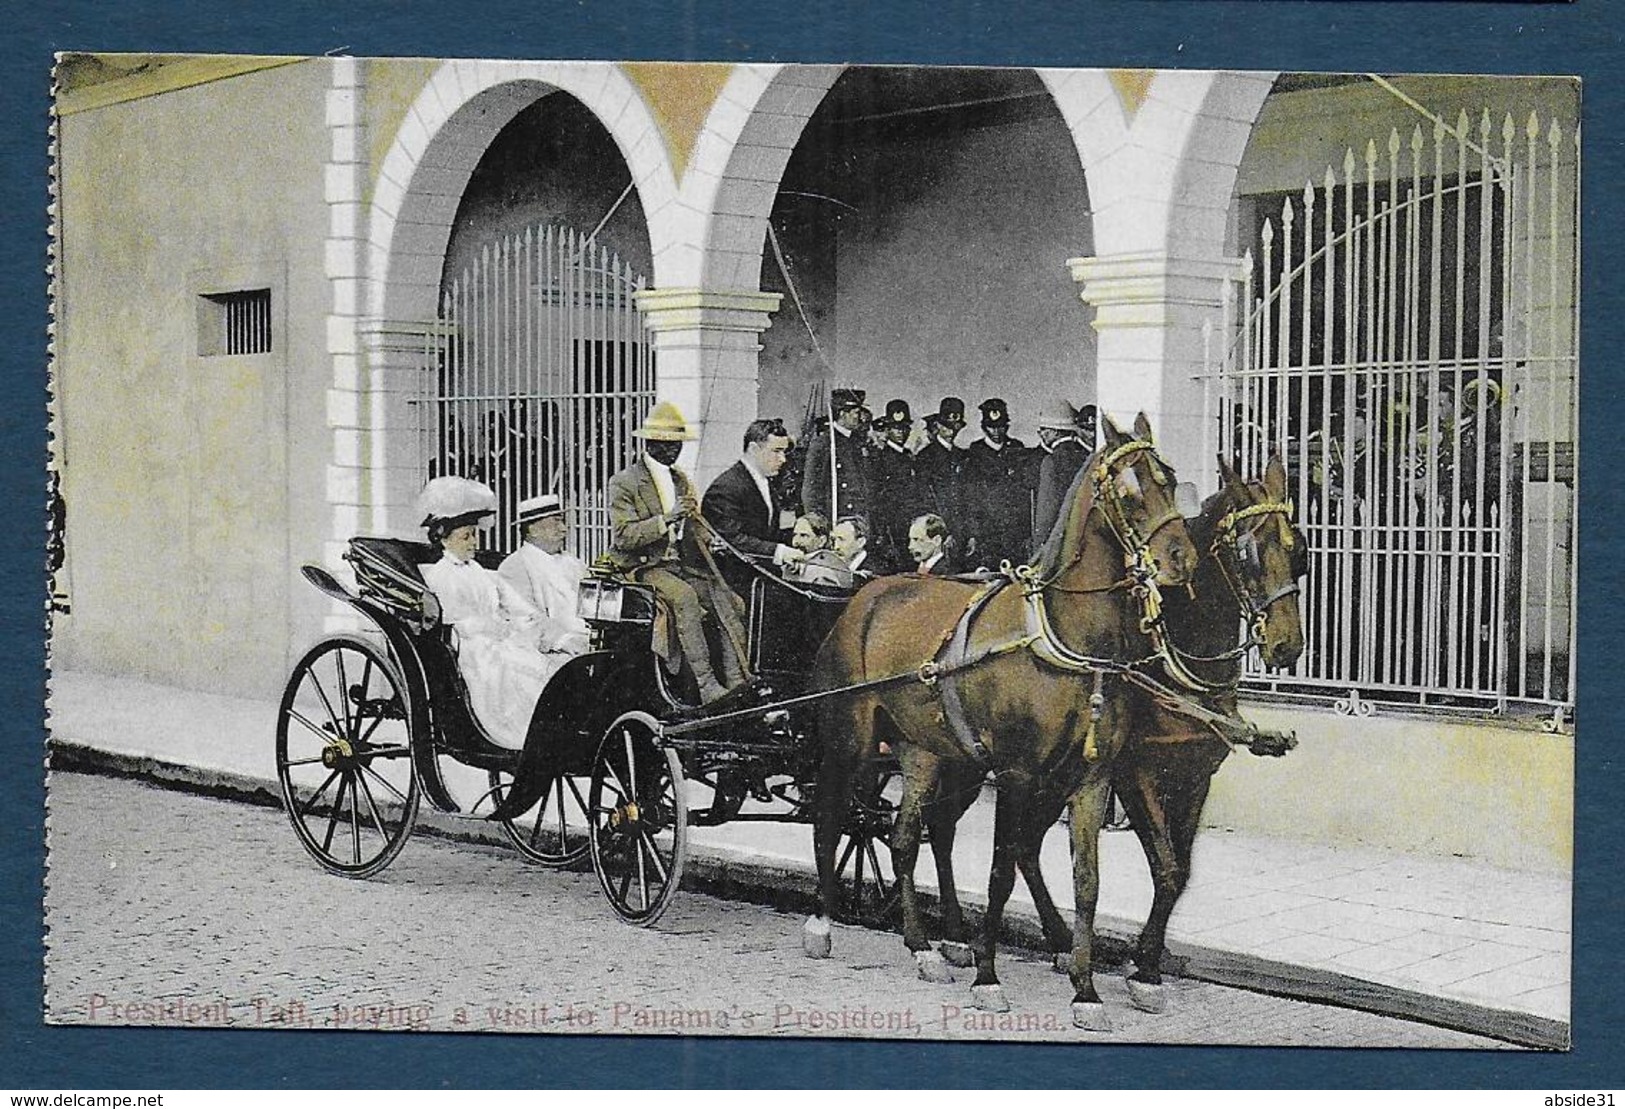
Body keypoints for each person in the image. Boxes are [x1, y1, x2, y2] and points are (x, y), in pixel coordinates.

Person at [602, 401, 751, 705]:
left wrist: (709, 539)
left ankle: (738, 680)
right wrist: (667, 518)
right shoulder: (624, 482)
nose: (673, 451)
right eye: (666, 444)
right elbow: (624, 536)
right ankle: (706, 684)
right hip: (641, 566)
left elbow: (692, 529)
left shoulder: (680, 479)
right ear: (649, 442)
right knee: (684, 597)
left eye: (677, 445)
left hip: (677, 566)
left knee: (728, 599)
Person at [417, 477, 554, 751]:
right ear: (444, 539)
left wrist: (528, 621)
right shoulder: (441, 575)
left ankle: (548, 729)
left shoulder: (480, 570)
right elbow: (455, 620)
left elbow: (511, 602)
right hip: (471, 646)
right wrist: (495, 628)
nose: (473, 542)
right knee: (512, 672)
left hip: (497, 636)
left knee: (542, 665)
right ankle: (527, 734)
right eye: (465, 536)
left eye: (474, 534)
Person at [701, 418, 807, 600]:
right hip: (734, 581)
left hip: (762, 574)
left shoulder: (766, 482)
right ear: (753, 449)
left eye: (784, 452)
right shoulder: (726, 488)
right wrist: (779, 552)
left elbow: (771, 532)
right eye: (776, 451)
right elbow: (732, 540)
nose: (783, 459)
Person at [497, 492, 593, 658]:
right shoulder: (515, 566)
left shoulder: (573, 562)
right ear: (533, 529)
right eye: (555, 522)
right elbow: (524, 617)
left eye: (562, 521)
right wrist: (564, 640)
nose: (563, 529)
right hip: (551, 651)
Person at [963, 397, 1033, 570]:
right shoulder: (975, 452)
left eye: (1000, 427)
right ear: (983, 427)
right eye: (991, 427)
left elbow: (1024, 493)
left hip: (1015, 531)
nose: (996, 432)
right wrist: (974, 533)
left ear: (1007, 426)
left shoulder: (1017, 448)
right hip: (988, 532)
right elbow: (971, 498)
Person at [800, 387, 872, 525]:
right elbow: (811, 489)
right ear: (842, 413)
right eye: (856, 413)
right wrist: (816, 522)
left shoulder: (857, 441)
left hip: (858, 518)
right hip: (836, 517)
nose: (859, 417)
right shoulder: (824, 443)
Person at [1032, 400, 1096, 552]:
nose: (1042, 434)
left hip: (1061, 543)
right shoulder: (1087, 457)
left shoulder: (1051, 461)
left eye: (1044, 429)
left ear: (1054, 431)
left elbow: (1046, 513)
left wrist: (1039, 547)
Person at [867, 398, 920, 573]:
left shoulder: (908, 456)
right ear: (887, 429)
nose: (900, 433)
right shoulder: (879, 459)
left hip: (910, 524)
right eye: (896, 428)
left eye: (904, 428)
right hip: (892, 527)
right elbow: (876, 499)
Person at [914, 397, 968, 542]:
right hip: (938, 529)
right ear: (938, 425)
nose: (951, 431)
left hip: (962, 529)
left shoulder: (962, 456)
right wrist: (941, 530)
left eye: (955, 426)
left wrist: (971, 534)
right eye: (946, 426)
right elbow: (925, 496)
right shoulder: (926, 456)